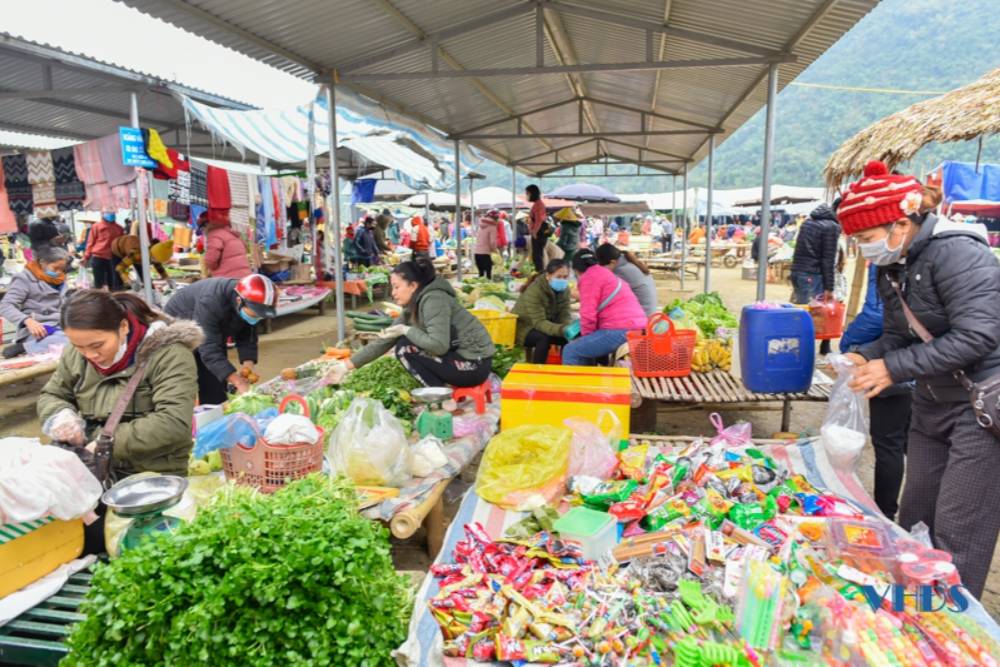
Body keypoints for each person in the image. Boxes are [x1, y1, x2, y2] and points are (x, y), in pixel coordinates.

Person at [840, 160, 1000, 599]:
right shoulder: (893, 264)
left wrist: (893, 368)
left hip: (980, 406)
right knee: (916, 515)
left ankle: (953, 622)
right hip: (932, 401)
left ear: (902, 222)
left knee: (958, 526)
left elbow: (979, 334)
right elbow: (897, 334)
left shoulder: (958, 254)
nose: (863, 251)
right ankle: (913, 602)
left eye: (867, 240)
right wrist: (866, 355)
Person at [37, 289, 202, 552]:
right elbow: (54, 393)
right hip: (93, 476)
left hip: (149, 480)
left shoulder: (169, 354)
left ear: (123, 327)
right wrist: (61, 416)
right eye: (79, 347)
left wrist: (105, 444)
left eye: (97, 345)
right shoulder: (76, 355)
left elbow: (173, 422)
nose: (89, 355)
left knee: (136, 549)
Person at [344, 257, 494, 387]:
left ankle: (440, 396)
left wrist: (406, 330)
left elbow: (439, 346)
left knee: (404, 347)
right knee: (403, 341)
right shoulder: (413, 305)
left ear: (413, 286)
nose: (393, 293)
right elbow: (385, 340)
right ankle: (441, 391)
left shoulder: (434, 300)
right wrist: (346, 366)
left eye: (397, 287)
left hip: (474, 366)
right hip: (460, 359)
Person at [840, 263, 912, 521]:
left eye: (866, 238)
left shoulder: (887, 262)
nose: (863, 244)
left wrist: (850, 342)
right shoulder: (922, 257)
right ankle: (907, 512)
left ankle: (885, 514)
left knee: (889, 441)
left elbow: (875, 316)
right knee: (910, 441)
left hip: (893, 365)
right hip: (918, 367)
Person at [163, 274, 278, 405]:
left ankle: (214, 413)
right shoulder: (211, 300)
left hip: (209, 331)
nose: (257, 318)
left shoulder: (247, 301)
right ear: (239, 300)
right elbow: (209, 349)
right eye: (255, 314)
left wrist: (248, 365)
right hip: (179, 333)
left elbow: (247, 331)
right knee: (182, 386)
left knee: (216, 387)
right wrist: (238, 382)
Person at [562, 249, 646, 366]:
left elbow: (588, 314)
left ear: (576, 270)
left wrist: (586, 337)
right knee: (585, 347)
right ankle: (591, 381)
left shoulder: (588, 278)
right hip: (638, 326)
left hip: (620, 330)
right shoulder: (605, 273)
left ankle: (578, 384)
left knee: (571, 351)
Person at [789, 202, 840, 357]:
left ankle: (803, 348)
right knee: (813, 314)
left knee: (801, 311)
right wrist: (829, 287)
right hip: (812, 274)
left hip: (798, 271)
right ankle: (803, 353)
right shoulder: (831, 226)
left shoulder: (809, 222)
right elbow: (827, 259)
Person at [0, 245, 70, 358]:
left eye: (62, 269)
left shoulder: (60, 280)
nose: (58, 272)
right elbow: (5, 305)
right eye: (55, 268)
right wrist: (27, 321)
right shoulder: (24, 279)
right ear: (42, 263)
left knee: (87, 336)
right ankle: (25, 347)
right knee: (67, 342)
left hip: (61, 325)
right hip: (38, 330)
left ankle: (30, 347)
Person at [512, 259, 572, 364]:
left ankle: (565, 370)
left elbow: (564, 313)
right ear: (548, 276)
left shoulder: (565, 290)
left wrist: (568, 328)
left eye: (565, 277)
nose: (562, 280)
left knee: (569, 338)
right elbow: (539, 322)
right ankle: (537, 373)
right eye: (558, 277)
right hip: (525, 327)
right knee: (543, 338)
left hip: (547, 325)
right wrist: (562, 329)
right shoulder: (535, 291)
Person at [595, 243, 658, 317]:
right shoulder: (627, 264)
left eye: (603, 267)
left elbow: (603, 295)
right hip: (648, 313)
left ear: (613, 262)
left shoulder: (621, 271)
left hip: (642, 317)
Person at [203, 210, 252, 279]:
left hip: (226, 278)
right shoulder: (232, 233)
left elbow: (211, 260)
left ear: (206, 225)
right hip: (244, 277)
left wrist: (209, 266)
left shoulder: (214, 234)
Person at [83, 213, 124, 289]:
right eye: (108, 211)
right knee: (98, 282)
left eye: (112, 212)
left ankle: (113, 298)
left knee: (113, 282)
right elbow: (90, 242)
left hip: (114, 258)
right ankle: (100, 298)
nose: (111, 214)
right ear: (103, 214)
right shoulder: (96, 226)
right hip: (99, 257)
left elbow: (121, 244)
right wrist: (86, 257)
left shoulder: (119, 228)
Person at [526, 184, 548, 272]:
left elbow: (539, 220)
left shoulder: (539, 204)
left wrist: (534, 232)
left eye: (527, 193)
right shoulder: (537, 204)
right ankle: (539, 272)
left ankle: (540, 273)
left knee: (537, 255)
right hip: (538, 231)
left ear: (532, 193)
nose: (527, 195)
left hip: (539, 232)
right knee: (537, 255)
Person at [474, 209, 500, 279]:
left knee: (481, 274)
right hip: (485, 253)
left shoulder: (481, 225)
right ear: (496, 218)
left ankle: (479, 289)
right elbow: (493, 242)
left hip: (477, 252)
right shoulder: (492, 227)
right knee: (488, 276)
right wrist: (494, 250)